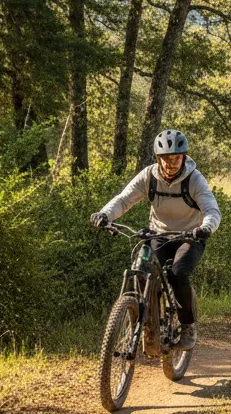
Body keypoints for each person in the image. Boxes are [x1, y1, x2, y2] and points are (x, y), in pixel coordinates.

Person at [90, 129, 221, 351]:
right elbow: (124, 200)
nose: (171, 163)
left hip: (190, 236)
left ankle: (187, 325)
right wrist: (105, 214)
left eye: (176, 158)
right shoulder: (149, 176)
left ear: (184, 157)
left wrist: (206, 228)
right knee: (140, 270)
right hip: (158, 234)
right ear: (158, 158)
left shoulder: (194, 179)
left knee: (178, 273)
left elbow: (211, 209)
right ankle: (147, 324)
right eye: (166, 158)